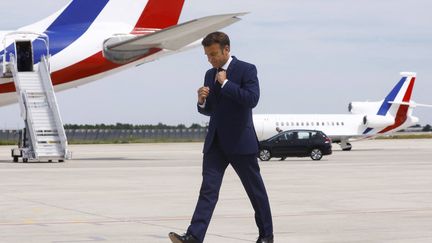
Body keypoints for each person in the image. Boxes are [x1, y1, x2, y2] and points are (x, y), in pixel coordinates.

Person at [169, 32, 274, 243]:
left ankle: (266, 236)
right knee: (208, 191)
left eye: (214, 54)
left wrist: (227, 84)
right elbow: (211, 110)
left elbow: (252, 99)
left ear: (227, 49)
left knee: (255, 192)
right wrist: (201, 101)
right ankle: (193, 236)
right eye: (207, 55)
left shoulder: (247, 69)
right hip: (215, 144)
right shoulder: (209, 74)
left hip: (240, 143)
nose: (210, 59)